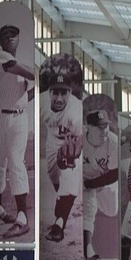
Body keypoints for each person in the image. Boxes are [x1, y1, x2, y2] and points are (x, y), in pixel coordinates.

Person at [0, 25, 34, 238]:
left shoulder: (19, 67)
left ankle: (23, 218)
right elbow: (22, 70)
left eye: (14, 35)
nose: (10, 38)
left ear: (18, 39)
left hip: (19, 118)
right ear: (1, 41)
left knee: (16, 162)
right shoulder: (0, 57)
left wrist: (40, 87)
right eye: (5, 35)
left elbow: (24, 96)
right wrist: (41, 74)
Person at [41, 69, 83, 243]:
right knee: (55, 179)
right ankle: (62, 204)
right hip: (52, 140)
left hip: (71, 140)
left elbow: (80, 138)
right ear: (49, 92)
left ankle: (59, 225)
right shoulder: (42, 104)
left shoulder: (76, 110)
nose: (59, 98)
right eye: (55, 92)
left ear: (70, 92)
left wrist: (76, 150)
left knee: (70, 182)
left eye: (63, 93)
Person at [81, 109, 119, 260]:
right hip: (83, 177)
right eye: (100, 127)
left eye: (106, 126)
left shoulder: (113, 142)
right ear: (88, 127)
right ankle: (86, 250)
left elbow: (114, 174)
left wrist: (92, 185)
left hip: (105, 181)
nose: (104, 130)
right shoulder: (78, 137)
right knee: (89, 208)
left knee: (112, 210)